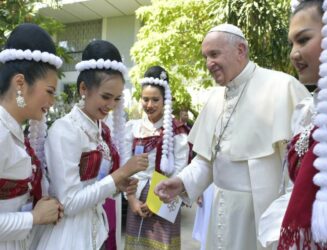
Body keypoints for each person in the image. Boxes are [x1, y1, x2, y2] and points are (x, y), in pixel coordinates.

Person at [154, 23, 310, 250]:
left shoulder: (282, 87)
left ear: (241, 50)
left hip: (258, 212)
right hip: (219, 208)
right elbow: (207, 160)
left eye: (214, 54)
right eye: (206, 56)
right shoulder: (216, 98)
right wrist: (181, 182)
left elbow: (296, 171)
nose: (209, 63)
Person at [35, 40, 149, 250]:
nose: (111, 106)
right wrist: (120, 173)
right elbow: (69, 203)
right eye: (106, 97)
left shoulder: (100, 129)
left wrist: (117, 186)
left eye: (116, 99)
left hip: (98, 230)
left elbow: (93, 186)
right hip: (69, 237)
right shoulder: (64, 130)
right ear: (83, 88)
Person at [259, 0, 327, 249]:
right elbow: (291, 189)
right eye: (291, 43)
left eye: (303, 40)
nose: (293, 54)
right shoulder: (305, 110)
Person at [0, 23, 64, 249]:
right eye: (49, 91)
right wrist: (34, 218)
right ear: (20, 84)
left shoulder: (15, 130)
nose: (52, 102)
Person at [124, 66, 190, 250]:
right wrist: (131, 200)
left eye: (155, 100)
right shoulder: (132, 128)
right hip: (135, 199)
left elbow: (180, 172)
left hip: (164, 199)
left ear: (165, 100)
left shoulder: (177, 132)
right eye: (145, 99)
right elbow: (124, 168)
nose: (149, 105)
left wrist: (155, 204)